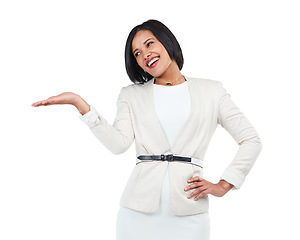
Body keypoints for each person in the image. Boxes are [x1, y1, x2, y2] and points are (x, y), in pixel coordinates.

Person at [31, 19, 262, 240]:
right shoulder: (131, 95)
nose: (145, 55)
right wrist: (79, 103)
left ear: (167, 41)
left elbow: (251, 140)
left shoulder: (212, 91)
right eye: (137, 53)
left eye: (149, 44)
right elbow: (118, 144)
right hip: (137, 213)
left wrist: (224, 185)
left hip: (190, 212)